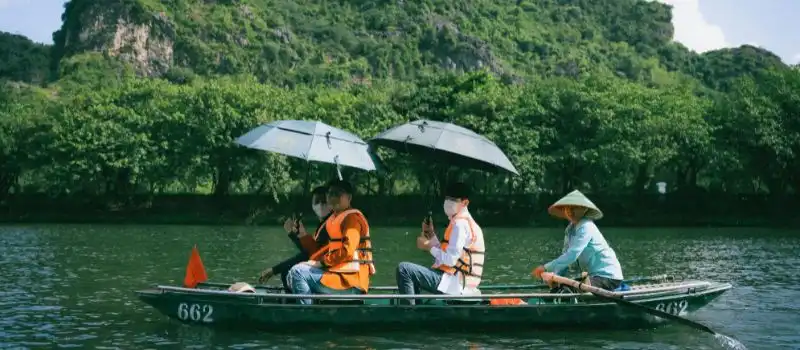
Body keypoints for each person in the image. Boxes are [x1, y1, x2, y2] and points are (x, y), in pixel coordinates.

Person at [286, 179, 375, 304]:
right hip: (337, 275)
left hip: (350, 282)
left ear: (349, 198)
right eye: (330, 194)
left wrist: (320, 263)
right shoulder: (333, 220)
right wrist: (302, 235)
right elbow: (317, 251)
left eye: (338, 194)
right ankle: (310, 308)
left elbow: (347, 252)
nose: (333, 197)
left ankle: (305, 315)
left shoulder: (352, 219)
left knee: (298, 272)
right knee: (294, 270)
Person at [395, 182, 485, 305]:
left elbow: (450, 260)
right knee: (412, 272)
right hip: (459, 283)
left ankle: (410, 315)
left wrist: (428, 246)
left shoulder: (460, 224)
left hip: (455, 285)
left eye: (453, 200)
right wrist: (431, 234)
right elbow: (448, 256)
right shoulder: (463, 223)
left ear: (465, 203)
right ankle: (416, 310)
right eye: (447, 198)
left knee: (404, 269)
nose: (448, 202)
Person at [531, 190, 624, 291]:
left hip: (608, 277)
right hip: (593, 277)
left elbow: (572, 255)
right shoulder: (570, 230)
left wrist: (546, 268)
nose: (570, 211)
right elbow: (566, 258)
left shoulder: (586, 226)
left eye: (574, 208)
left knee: (569, 292)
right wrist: (555, 276)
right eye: (568, 208)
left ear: (584, 209)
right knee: (558, 289)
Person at [258, 185, 332, 293]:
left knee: (288, 271)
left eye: (324, 201)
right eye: (317, 201)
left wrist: (274, 270)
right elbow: (310, 252)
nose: (320, 205)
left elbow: (308, 255)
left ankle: (296, 303)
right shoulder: (323, 225)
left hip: (326, 269)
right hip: (320, 265)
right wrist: (295, 235)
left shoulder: (329, 225)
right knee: (287, 271)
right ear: (312, 204)